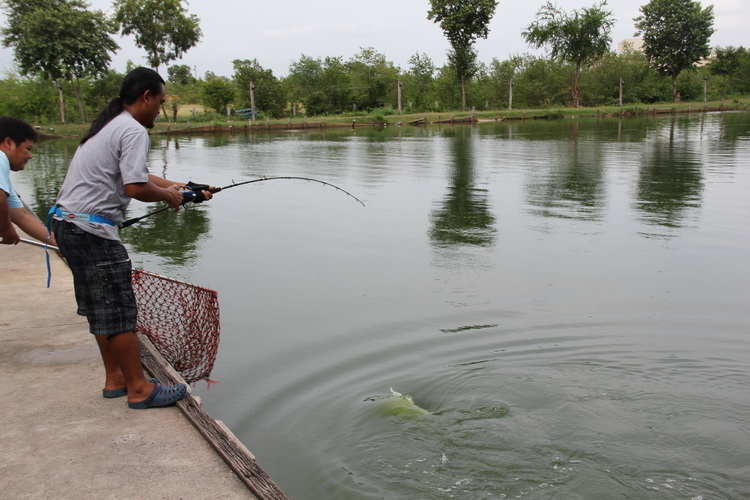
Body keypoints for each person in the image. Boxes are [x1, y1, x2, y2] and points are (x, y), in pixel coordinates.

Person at [52, 67, 213, 409]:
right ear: (146, 97)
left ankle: (117, 379)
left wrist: (180, 186)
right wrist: (170, 197)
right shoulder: (133, 130)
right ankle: (139, 389)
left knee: (100, 307)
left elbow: (139, 175)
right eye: (160, 101)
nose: (160, 108)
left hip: (68, 225)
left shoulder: (111, 125)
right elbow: (136, 188)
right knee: (119, 310)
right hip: (92, 232)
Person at [0, 116, 57, 247]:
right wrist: (5, 228)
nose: (30, 156)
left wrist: (57, 243)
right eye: (28, 149)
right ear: (9, 143)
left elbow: (21, 215)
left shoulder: (4, 179)